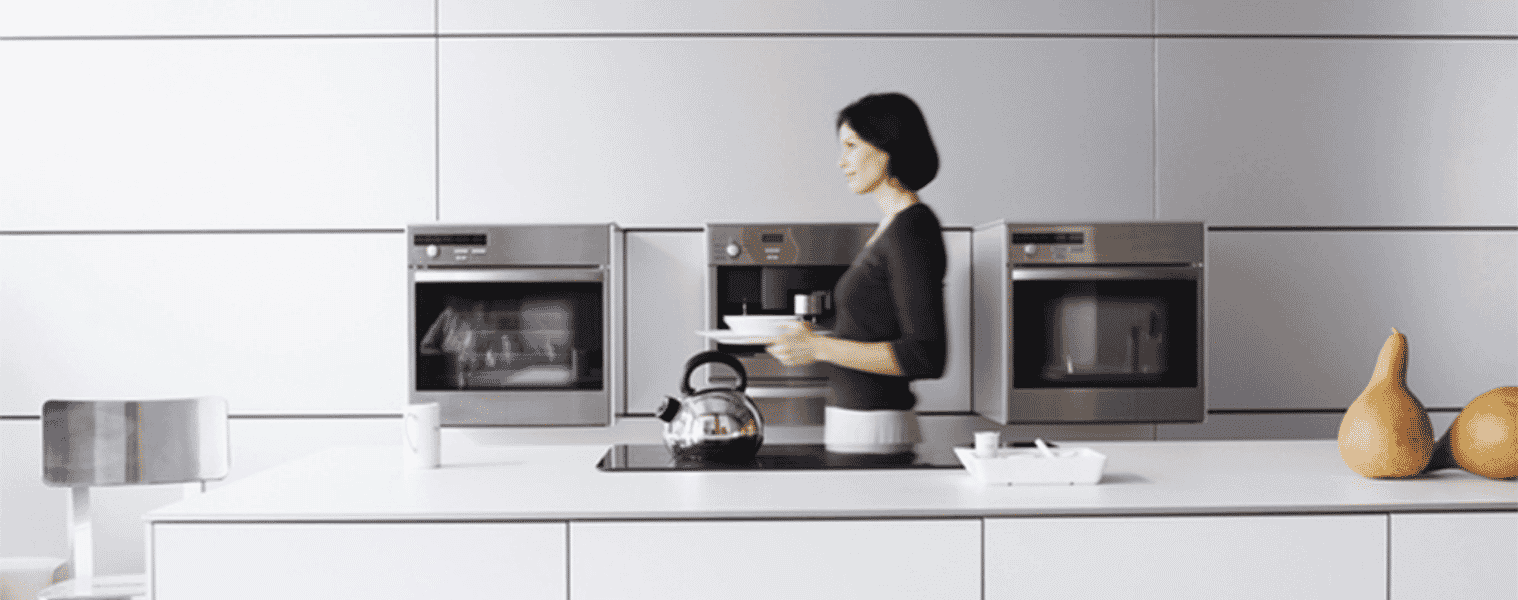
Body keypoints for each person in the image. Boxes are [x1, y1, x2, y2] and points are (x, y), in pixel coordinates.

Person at [765, 92, 947, 454]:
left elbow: (924, 356)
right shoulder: (891, 227)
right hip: (860, 428)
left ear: (885, 147)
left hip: (876, 430)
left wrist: (818, 346)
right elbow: (873, 328)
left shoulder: (912, 228)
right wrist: (814, 337)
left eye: (850, 146)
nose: (841, 162)